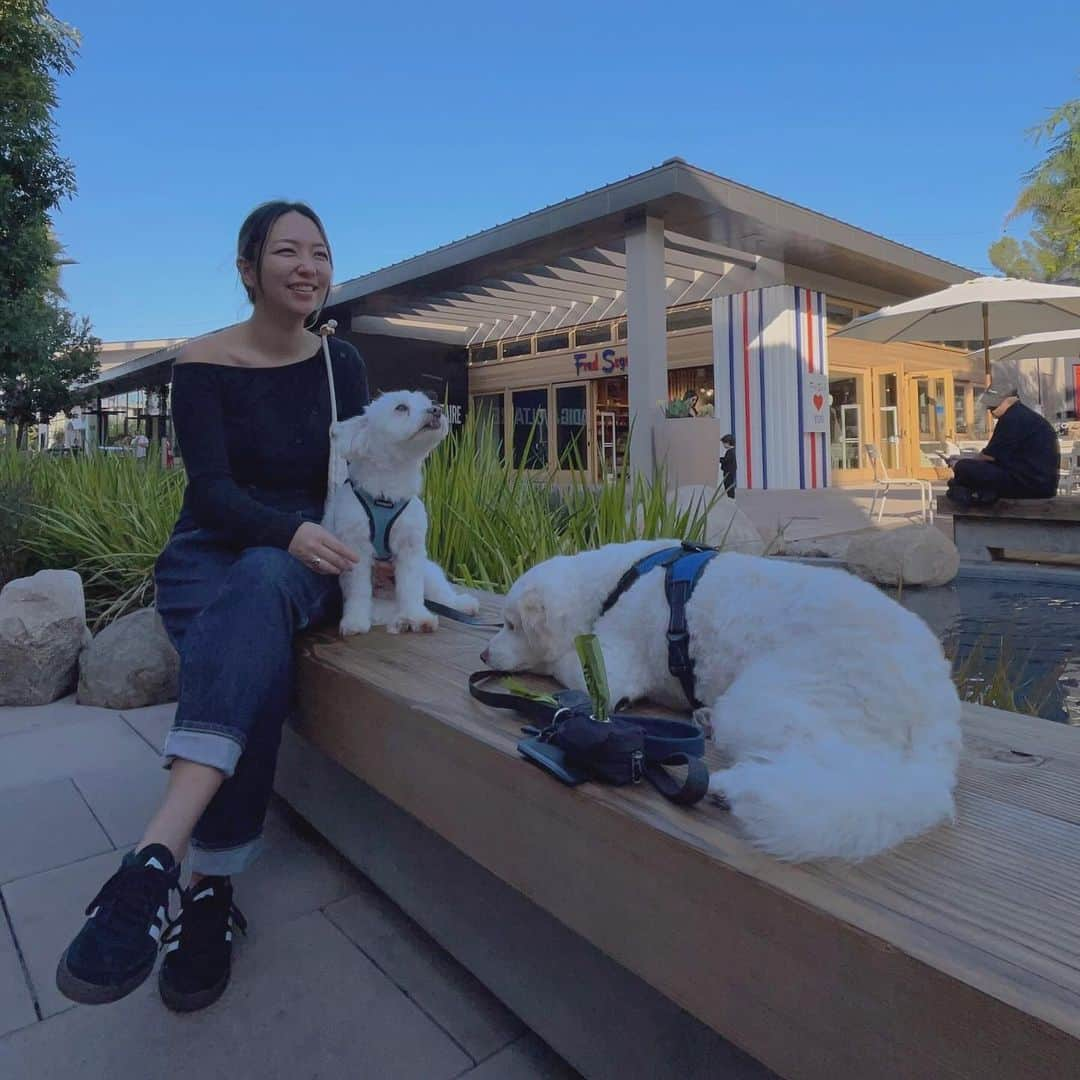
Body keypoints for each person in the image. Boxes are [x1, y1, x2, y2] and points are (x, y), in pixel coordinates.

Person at [56, 201, 382, 1014]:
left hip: (304, 558)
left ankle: (156, 857)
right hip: (214, 548)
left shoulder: (346, 369)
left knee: (265, 588)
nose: (308, 266)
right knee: (254, 656)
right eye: (286, 252)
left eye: (320, 252)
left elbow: (367, 478)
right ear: (248, 270)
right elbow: (212, 491)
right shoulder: (201, 362)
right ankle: (207, 891)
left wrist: (383, 554)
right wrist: (287, 532)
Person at [945, 385, 1060, 507]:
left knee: (964, 468)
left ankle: (971, 492)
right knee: (969, 470)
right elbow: (996, 456)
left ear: (1011, 399)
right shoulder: (1022, 415)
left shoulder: (1012, 418)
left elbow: (988, 456)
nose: (990, 409)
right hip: (1042, 484)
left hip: (1030, 484)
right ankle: (979, 493)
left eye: (994, 405)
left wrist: (958, 463)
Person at [720, 433, 737, 498]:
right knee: (728, 486)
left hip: (728, 473)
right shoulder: (731, 451)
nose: (723, 445)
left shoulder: (730, 452)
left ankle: (731, 499)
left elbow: (725, 460)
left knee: (728, 486)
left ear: (728, 442)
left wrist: (718, 459)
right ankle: (730, 498)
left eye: (724, 443)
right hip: (730, 472)